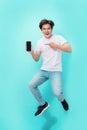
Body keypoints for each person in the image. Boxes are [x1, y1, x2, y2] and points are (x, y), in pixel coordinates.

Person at [29, 19, 72, 116]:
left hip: (55, 71)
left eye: (48, 28)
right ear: (41, 30)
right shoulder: (40, 42)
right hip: (44, 70)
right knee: (31, 85)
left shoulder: (58, 38)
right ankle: (43, 104)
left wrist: (56, 45)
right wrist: (31, 52)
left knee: (57, 93)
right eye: (44, 29)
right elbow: (36, 58)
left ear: (51, 29)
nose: (46, 31)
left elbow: (69, 49)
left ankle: (62, 100)